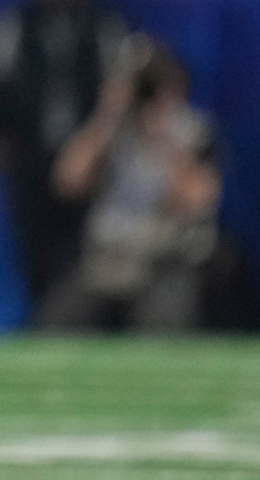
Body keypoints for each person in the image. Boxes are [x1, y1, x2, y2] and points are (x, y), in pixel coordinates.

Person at [0, 0, 133, 314]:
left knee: (84, 255)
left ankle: (75, 325)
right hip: (30, 158)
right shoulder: (15, 25)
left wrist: (93, 149)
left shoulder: (105, 25)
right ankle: (42, 322)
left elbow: (118, 93)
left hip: (90, 159)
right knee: (33, 250)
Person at [39, 39, 220, 330]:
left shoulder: (191, 131)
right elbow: (68, 179)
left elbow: (199, 197)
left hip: (163, 261)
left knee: (164, 318)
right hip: (108, 260)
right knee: (60, 319)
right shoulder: (112, 132)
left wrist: (159, 134)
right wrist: (108, 115)